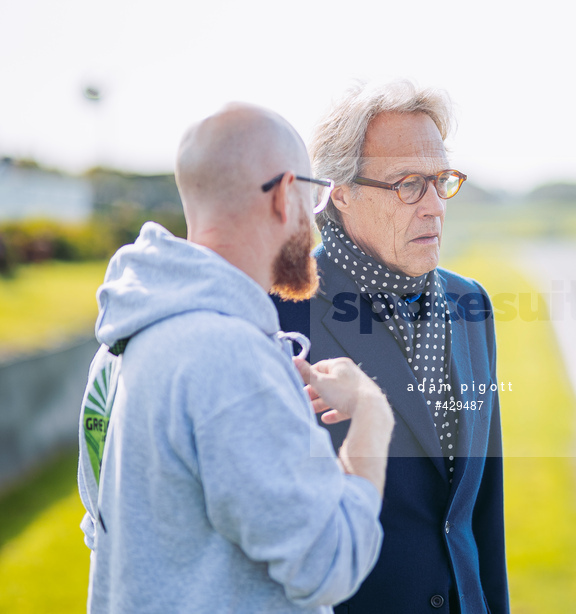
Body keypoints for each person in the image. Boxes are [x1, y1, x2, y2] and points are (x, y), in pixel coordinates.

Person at [76, 103, 395, 613]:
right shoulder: (230, 359)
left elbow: (107, 525)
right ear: (284, 195)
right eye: (313, 200)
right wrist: (373, 413)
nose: (314, 228)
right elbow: (331, 562)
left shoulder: (117, 348)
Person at [274, 81, 509, 614]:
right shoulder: (279, 310)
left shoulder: (470, 304)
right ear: (340, 191)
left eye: (440, 181)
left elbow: (480, 510)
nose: (434, 208)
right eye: (408, 184)